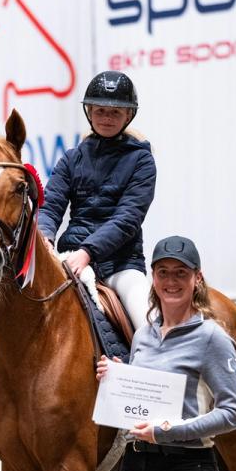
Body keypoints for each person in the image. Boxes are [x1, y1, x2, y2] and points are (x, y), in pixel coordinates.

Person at [96, 235, 236, 471]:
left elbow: (234, 413)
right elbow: (144, 398)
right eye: (163, 272)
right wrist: (118, 379)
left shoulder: (212, 338)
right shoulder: (143, 336)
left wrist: (168, 431)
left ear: (197, 278)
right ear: (154, 277)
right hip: (135, 470)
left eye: (181, 273)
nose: (171, 281)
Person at [39, 70, 156, 331]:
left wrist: (88, 252)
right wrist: (45, 236)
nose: (106, 118)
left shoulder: (142, 161)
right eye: (100, 110)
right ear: (89, 112)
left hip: (121, 265)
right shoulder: (72, 158)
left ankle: (155, 366)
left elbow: (128, 218)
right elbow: (51, 204)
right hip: (70, 257)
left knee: (149, 324)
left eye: (115, 112)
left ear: (128, 115)